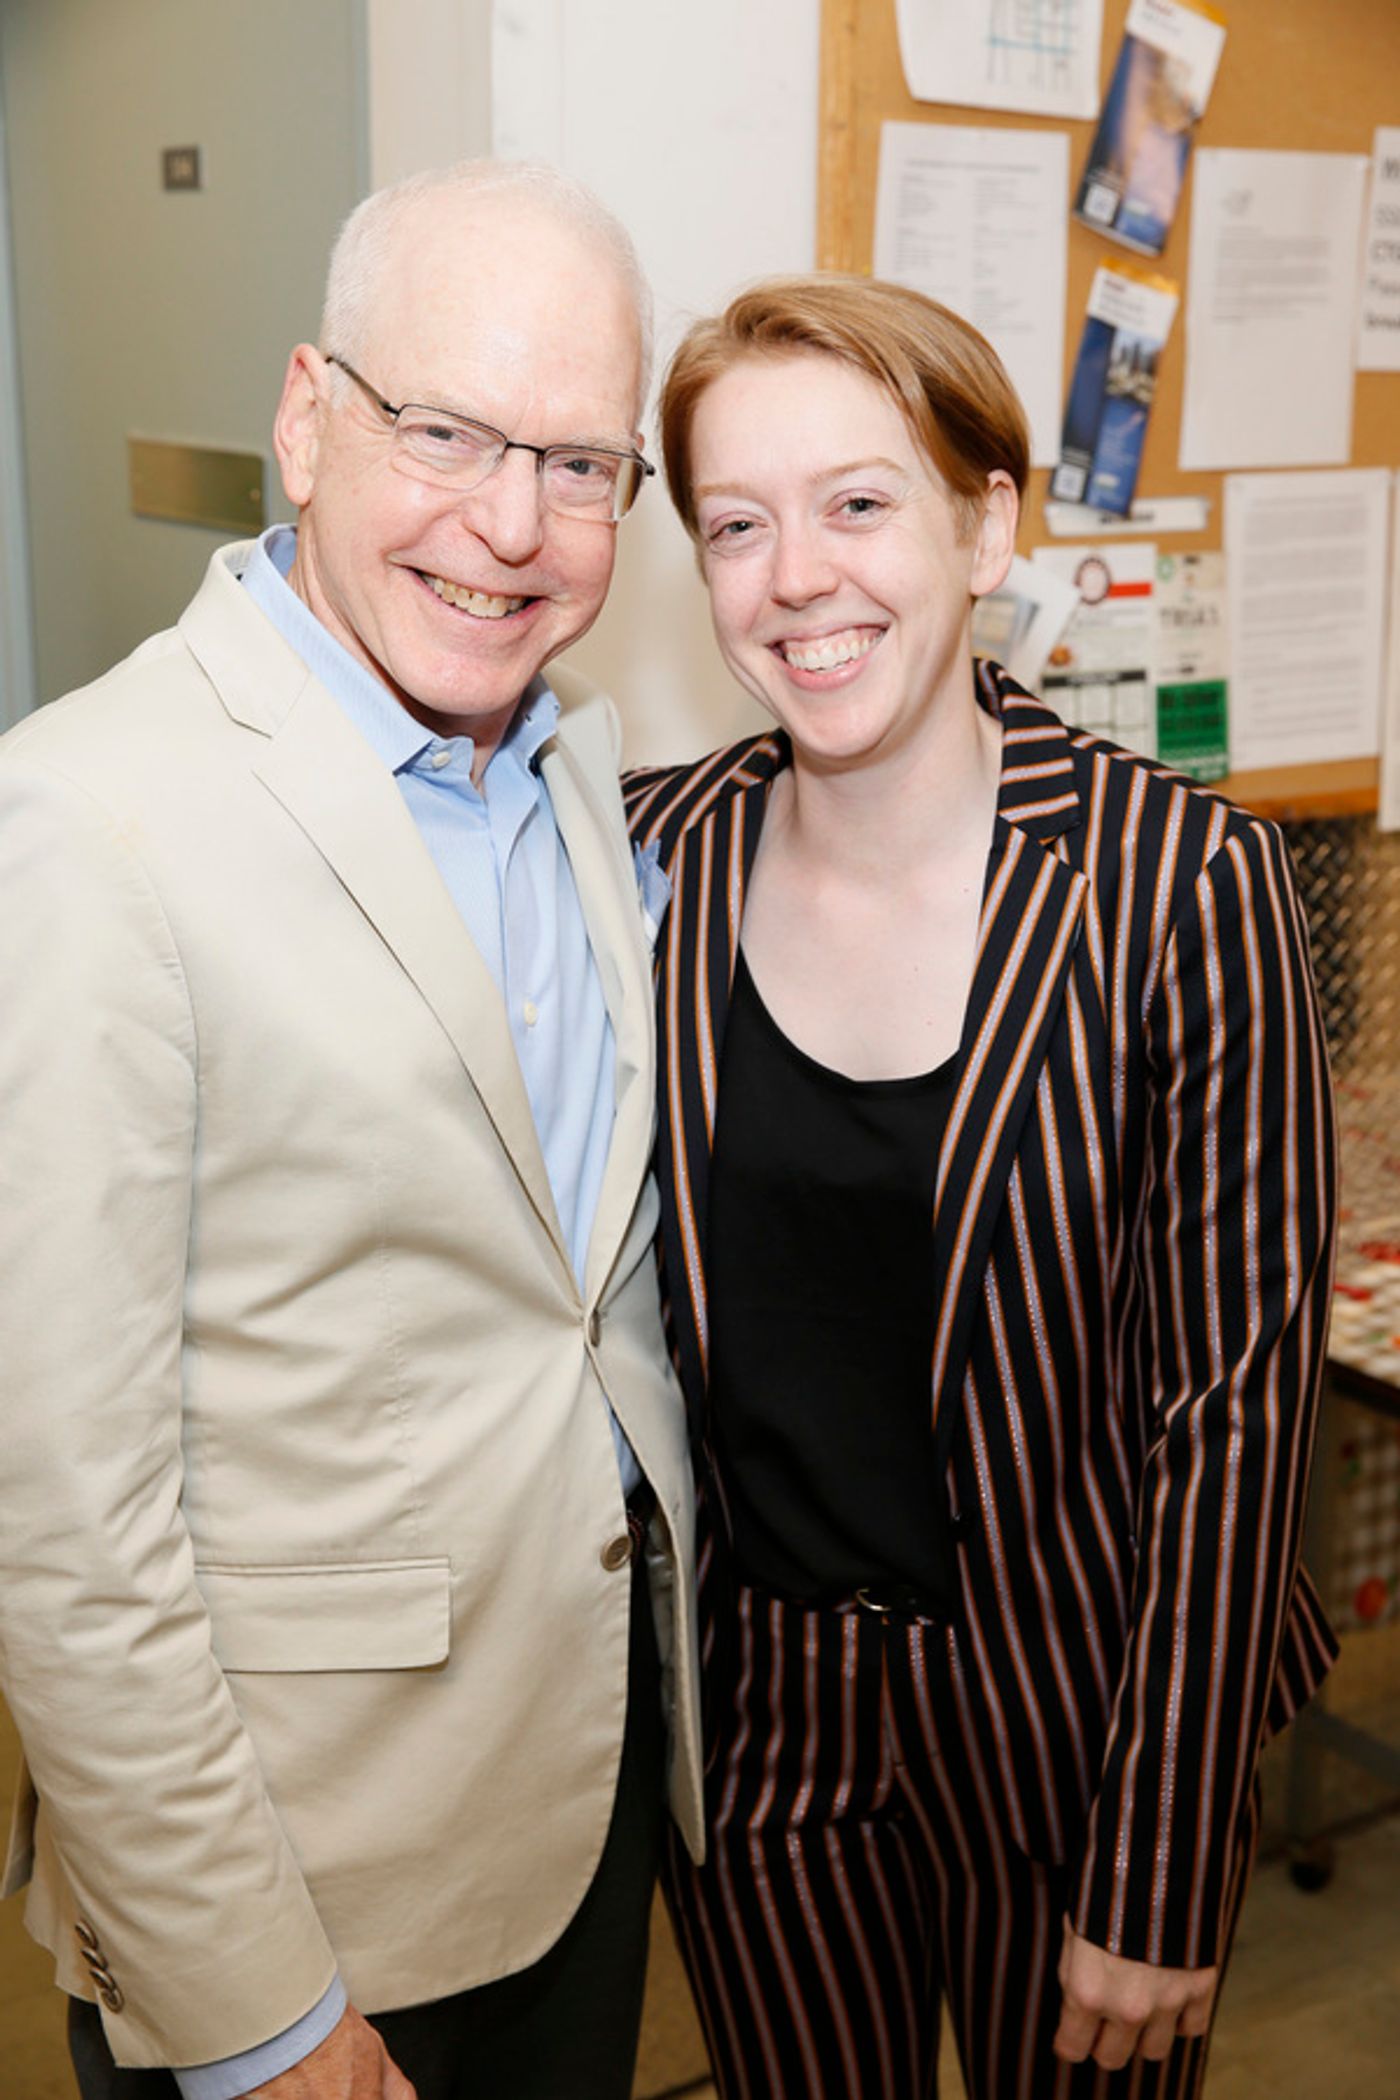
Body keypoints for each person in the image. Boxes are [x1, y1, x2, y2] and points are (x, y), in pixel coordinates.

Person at [0, 160, 703, 2100]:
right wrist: (260, 2018)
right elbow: (61, 1518)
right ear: (308, 421)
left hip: (578, 1811)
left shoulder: (570, 764)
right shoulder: (85, 823)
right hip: (305, 1898)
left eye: (580, 464)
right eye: (445, 431)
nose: (513, 526)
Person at [623, 276, 1337, 2100]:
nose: (797, 578)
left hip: (1079, 1714)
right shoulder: (644, 861)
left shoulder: (1178, 885)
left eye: (859, 504)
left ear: (985, 525)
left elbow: (1233, 1412)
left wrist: (1165, 1861)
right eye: (736, 526)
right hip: (763, 1729)